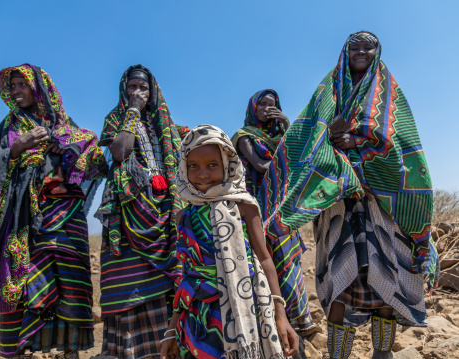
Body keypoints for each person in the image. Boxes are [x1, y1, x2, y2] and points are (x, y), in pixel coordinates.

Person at [259, 32, 439, 359]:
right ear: (345, 52)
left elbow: (398, 144)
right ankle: (337, 355)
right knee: (339, 281)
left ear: (377, 51)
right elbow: (311, 134)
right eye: (354, 47)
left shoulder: (388, 95)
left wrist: (357, 144)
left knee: (384, 275)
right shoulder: (329, 91)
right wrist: (332, 146)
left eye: (366, 46)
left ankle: (382, 353)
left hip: (380, 203)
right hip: (338, 204)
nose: (360, 51)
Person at [0, 64, 108, 358]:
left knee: (71, 286)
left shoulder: (64, 125)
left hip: (66, 221)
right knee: (19, 283)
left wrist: (68, 147)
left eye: (21, 85)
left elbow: (94, 163)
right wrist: (16, 150)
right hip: (22, 222)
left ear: (39, 87)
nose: (15, 92)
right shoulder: (9, 128)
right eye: (11, 87)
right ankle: (18, 351)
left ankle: (69, 351)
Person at [160, 125, 299, 359]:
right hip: (197, 315)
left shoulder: (244, 206)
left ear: (228, 165)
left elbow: (264, 259)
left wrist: (280, 313)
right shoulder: (182, 216)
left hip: (244, 309)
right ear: (184, 168)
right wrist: (172, 328)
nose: (202, 173)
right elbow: (186, 276)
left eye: (212, 165)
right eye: (193, 166)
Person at [95, 65, 184, 359]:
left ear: (153, 91)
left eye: (143, 88)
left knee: (173, 282)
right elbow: (120, 152)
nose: (137, 92)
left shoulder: (166, 125)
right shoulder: (116, 119)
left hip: (166, 209)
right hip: (130, 210)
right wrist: (132, 112)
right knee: (131, 283)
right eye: (132, 87)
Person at [232, 90, 312, 333]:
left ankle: (299, 321)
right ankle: (267, 323)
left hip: (280, 207)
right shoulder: (244, 136)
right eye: (262, 104)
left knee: (288, 260)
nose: (267, 108)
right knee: (263, 259)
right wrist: (287, 164)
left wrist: (286, 124)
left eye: (272, 104)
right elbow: (261, 165)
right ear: (253, 108)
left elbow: (297, 154)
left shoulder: (280, 136)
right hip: (257, 208)